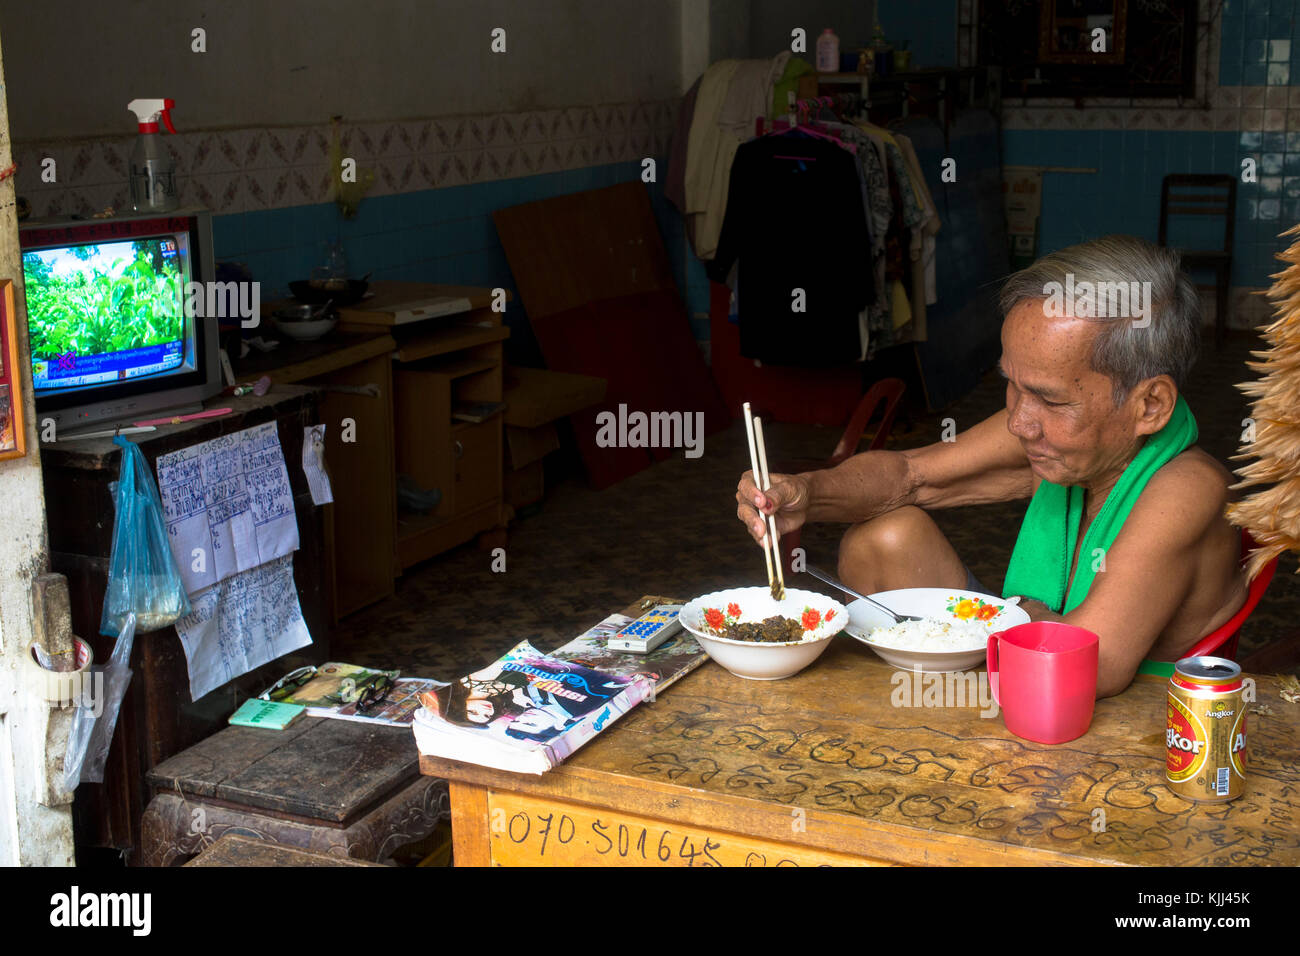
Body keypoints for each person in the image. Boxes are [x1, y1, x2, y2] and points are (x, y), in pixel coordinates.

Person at [736, 236, 1247, 698]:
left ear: (1150, 405)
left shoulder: (1187, 489)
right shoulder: (1063, 435)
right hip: (1023, 654)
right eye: (1012, 384)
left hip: (1111, 712)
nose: (1021, 423)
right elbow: (911, 476)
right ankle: (934, 710)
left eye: (1049, 399)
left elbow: (1086, 662)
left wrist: (1011, 611)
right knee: (885, 535)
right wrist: (801, 493)